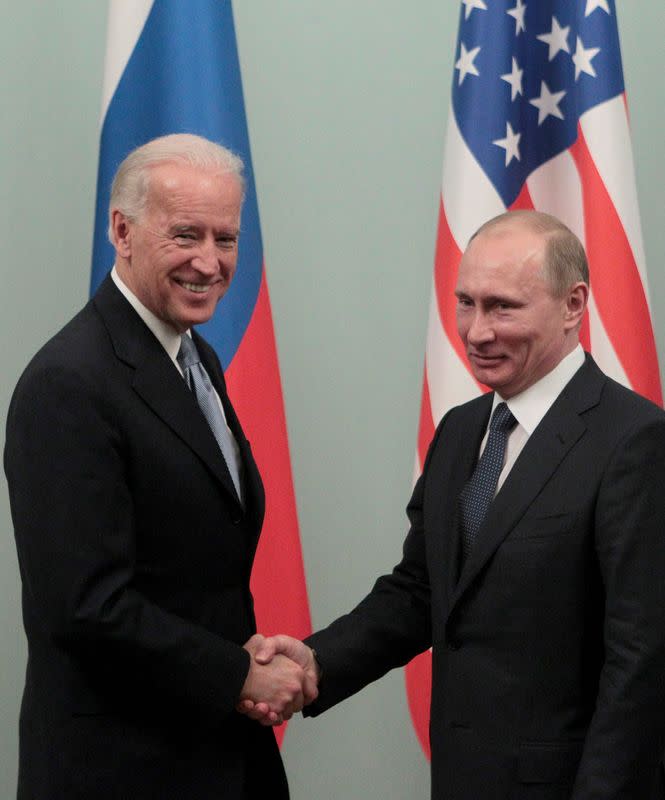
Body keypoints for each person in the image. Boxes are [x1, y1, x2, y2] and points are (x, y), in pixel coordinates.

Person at [243, 210, 665, 798]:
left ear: (574, 305)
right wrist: (315, 662)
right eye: (466, 302)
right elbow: (422, 589)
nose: (475, 331)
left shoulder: (635, 440)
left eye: (502, 307)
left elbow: (642, 659)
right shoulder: (463, 431)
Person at [4, 133, 314, 800]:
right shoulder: (71, 383)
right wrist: (237, 674)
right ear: (122, 230)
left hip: (214, 755)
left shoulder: (192, 357)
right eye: (185, 234)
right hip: (120, 767)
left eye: (225, 238)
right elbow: (85, 606)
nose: (209, 261)